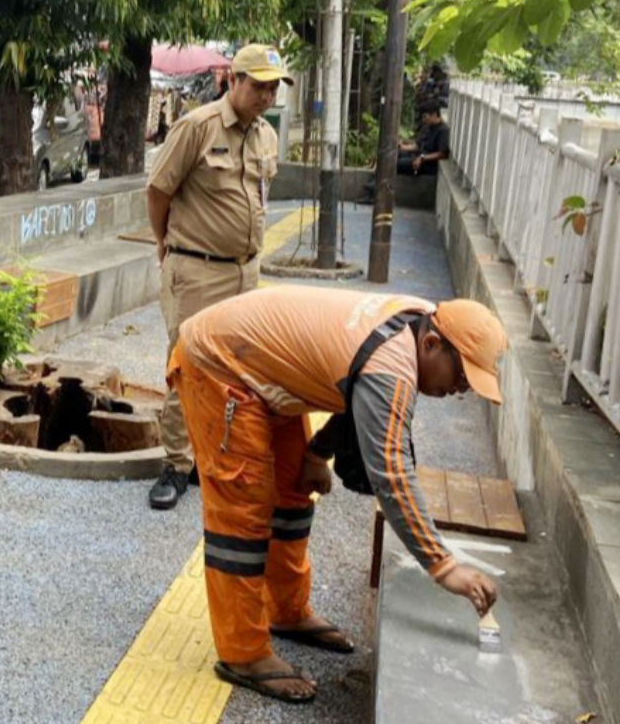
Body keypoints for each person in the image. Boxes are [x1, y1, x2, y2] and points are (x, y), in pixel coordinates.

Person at [169, 285, 505, 704]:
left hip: (264, 371)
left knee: (293, 493)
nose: (461, 389)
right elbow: (393, 474)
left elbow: (354, 388)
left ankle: (287, 613)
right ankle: (243, 653)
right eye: (461, 375)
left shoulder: (418, 319)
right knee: (242, 517)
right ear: (433, 343)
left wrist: (317, 454)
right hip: (220, 364)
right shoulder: (394, 366)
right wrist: (443, 565)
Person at [145, 43, 291, 510]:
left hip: (245, 273)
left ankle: (222, 456)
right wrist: (163, 242)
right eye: (259, 87)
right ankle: (175, 465)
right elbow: (158, 189)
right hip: (197, 270)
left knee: (240, 372)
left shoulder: (266, 136)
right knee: (189, 369)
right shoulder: (199, 127)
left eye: (273, 89)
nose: (266, 97)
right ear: (233, 80)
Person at [359, 101, 450, 205]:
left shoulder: (443, 131)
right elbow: (417, 145)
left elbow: (442, 154)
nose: (424, 120)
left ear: (434, 115)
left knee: (392, 164)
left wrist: (423, 158)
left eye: (425, 117)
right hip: (417, 156)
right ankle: (371, 189)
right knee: (388, 156)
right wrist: (401, 147)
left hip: (426, 163)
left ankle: (376, 194)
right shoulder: (428, 128)